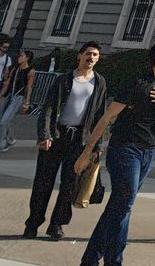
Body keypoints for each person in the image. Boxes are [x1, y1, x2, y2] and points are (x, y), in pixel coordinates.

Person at [74, 37, 155, 266]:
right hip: (125, 148)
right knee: (125, 204)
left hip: (148, 150)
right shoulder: (137, 82)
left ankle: (90, 258)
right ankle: (114, 261)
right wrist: (87, 152)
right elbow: (107, 117)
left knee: (119, 205)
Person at [25, 39, 107, 241]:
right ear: (79, 56)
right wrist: (45, 135)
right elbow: (48, 108)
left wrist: (96, 145)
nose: (91, 58)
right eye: (88, 53)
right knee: (43, 183)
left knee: (70, 183)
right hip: (57, 136)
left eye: (95, 55)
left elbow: (100, 115)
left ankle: (57, 224)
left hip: (79, 140)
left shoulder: (99, 82)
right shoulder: (64, 79)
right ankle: (33, 223)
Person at [0, 48, 35, 153]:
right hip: (10, 96)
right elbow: (7, 84)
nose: (19, 57)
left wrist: (26, 102)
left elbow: (29, 87)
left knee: (3, 121)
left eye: (22, 56)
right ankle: (10, 138)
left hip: (18, 98)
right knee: (4, 120)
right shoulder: (15, 69)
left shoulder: (30, 71)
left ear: (27, 58)